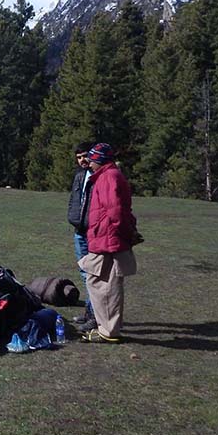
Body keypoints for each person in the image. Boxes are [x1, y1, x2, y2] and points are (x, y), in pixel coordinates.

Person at [78, 142, 137, 344]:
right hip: (104, 237)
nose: (89, 163)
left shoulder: (109, 177)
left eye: (92, 159)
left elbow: (115, 212)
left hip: (108, 239)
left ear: (100, 160)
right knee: (98, 281)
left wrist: (126, 234)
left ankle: (109, 331)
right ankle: (106, 327)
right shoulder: (107, 176)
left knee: (106, 284)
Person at [66, 142, 95, 331]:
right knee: (84, 274)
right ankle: (89, 313)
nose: (82, 160)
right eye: (78, 157)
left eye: (85, 156)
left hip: (94, 232)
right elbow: (74, 201)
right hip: (79, 231)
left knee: (94, 276)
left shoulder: (100, 177)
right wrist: (72, 217)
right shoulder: (79, 176)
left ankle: (95, 315)